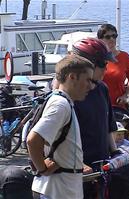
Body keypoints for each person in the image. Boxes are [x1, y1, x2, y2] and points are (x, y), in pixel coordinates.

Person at [27, 54, 95, 199]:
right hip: (56, 191)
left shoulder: (64, 102)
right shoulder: (61, 105)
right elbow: (33, 140)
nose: (91, 86)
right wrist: (42, 168)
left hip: (62, 189)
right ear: (72, 77)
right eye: (87, 80)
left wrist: (77, 162)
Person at [72, 38, 118, 199]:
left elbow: (108, 126)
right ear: (88, 65)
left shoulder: (102, 89)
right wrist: (80, 165)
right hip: (78, 172)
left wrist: (116, 152)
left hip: (101, 169)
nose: (107, 69)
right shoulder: (68, 96)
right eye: (104, 64)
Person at [97, 24, 129, 110]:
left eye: (114, 36)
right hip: (98, 105)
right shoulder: (95, 57)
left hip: (118, 106)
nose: (112, 39)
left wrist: (126, 95)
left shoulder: (124, 56)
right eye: (107, 37)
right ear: (100, 39)